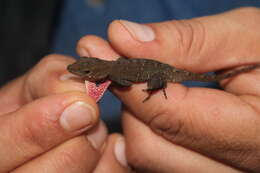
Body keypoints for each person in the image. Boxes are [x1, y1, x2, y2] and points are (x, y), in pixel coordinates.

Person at [1, 2, 260, 173]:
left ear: (96, 69)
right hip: (152, 65)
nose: (79, 72)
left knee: (163, 87)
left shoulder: (116, 76)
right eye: (83, 69)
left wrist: (144, 86)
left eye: (85, 70)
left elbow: (125, 84)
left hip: (162, 71)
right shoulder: (110, 65)